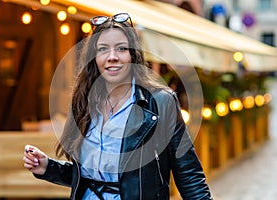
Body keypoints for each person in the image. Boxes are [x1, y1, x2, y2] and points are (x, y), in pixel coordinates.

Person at [23, 13, 213, 200]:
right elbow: (88, 176)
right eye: (103, 49)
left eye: (121, 49)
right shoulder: (83, 103)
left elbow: (189, 175)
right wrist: (48, 167)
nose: (112, 57)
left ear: (133, 55)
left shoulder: (161, 102)